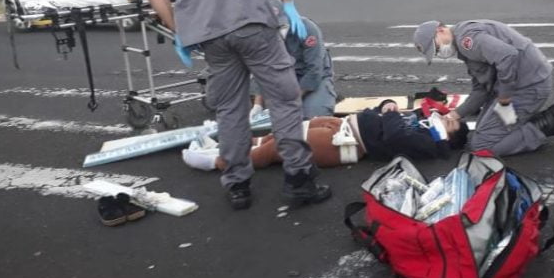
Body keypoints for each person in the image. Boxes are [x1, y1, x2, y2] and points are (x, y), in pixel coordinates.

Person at [143, 0, 331, 210]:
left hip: (208, 36)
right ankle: (299, 178)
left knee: (230, 108)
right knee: (283, 99)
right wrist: (288, 3)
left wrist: (178, 31)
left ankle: (237, 185)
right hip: (250, 21)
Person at [413, 20, 554, 158]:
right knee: (482, 130)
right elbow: (481, 90)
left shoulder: (467, 40)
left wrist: (504, 100)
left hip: (529, 85)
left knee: (482, 146)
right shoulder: (463, 46)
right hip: (522, 83)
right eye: (435, 53)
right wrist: (454, 114)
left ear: (441, 30)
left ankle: (552, 121)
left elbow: (507, 56)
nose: (439, 53)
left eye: (435, 47)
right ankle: (520, 122)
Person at [182, 99, 470, 170]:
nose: (445, 117)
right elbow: (386, 117)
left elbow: (395, 136)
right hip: (345, 126)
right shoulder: (422, 125)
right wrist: (385, 107)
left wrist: (392, 112)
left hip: (346, 143)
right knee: (277, 135)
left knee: (278, 150)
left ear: (449, 137)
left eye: (450, 123)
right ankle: (225, 149)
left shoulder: (429, 143)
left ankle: (217, 163)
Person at [251, 2, 337, 119]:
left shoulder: (306, 28)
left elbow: (314, 70)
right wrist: (258, 105)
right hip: (283, 77)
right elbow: (261, 70)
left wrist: (292, 101)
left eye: (281, 26)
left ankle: (325, 96)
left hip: (314, 75)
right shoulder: (259, 37)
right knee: (273, 119)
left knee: (312, 116)